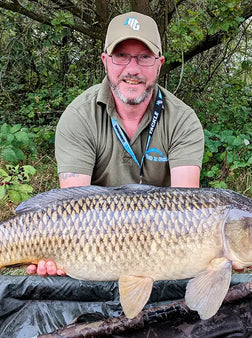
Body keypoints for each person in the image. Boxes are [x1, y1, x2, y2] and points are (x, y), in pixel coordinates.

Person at [26, 11, 204, 277]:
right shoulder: (79, 117)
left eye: (144, 57)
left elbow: (186, 217)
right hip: (95, 248)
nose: (132, 69)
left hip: (162, 247)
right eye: (121, 56)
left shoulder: (183, 120)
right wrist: (52, 251)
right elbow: (73, 211)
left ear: (159, 63)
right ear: (105, 61)